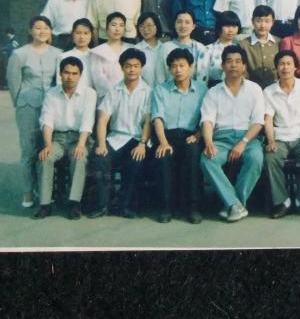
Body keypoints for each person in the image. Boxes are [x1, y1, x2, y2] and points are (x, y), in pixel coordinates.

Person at [199, 45, 266, 222]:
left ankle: (232, 204)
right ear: (222, 66)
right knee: (207, 160)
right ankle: (235, 204)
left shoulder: (255, 89)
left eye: (238, 61)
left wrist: (243, 142)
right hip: (221, 138)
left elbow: (258, 122)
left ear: (244, 66)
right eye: (229, 61)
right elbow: (207, 120)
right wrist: (209, 142)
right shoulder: (213, 92)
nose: (233, 65)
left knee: (256, 158)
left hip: (249, 138)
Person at [88, 47, 151, 218]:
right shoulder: (114, 90)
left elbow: (148, 121)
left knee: (136, 161)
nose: (132, 70)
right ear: (122, 67)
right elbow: (103, 120)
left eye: (136, 66)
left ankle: (125, 206)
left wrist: (142, 144)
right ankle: (103, 205)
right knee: (100, 158)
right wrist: (101, 144)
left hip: (137, 139)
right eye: (128, 66)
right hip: (116, 138)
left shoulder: (148, 91)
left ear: (141, 68)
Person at [8, 16, 61, 208]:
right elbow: (14, 83)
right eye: (38, 28)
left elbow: (59, 81)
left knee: (47, 148)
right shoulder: (19, 54)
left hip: (51, 106)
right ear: (30, 31)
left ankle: (45, 190)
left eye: (46, 28)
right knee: (29, 149)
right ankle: (28, 191)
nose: (42, 31)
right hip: (28, 107)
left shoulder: (58, 53)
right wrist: (21, 103)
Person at [34, 56, 95, 220]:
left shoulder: (89, 93)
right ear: (60, 74)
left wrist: (81, 145)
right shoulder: (52, 93)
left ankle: (74, 203)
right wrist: (47, 145)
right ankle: (45, 204)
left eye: (75, 73)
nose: (70, 77)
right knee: (45, 158)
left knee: (79, 158)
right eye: (66, 72)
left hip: (79, 138)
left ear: (80, 75)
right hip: (58, 139)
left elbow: (87, 121)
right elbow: (47, 121)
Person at [151, 47, 207, 224]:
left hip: (192, 135)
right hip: (167, 135)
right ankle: (166, 206)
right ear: (169, 69)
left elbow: (207, 118)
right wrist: (163, 142)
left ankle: (193, 206)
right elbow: (157, 118)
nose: (178, 70)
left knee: (193, 153)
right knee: (163, 155)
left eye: (182, 65)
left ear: (191, 67)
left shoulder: (202, 90)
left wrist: (198, 135)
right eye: (174, 66)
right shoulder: (161, 90)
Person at [263, 50, 300, 218]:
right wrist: (271, 141)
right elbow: (268, 119)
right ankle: (283, 202)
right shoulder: (269, 91)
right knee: (270, 159)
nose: (285, 67)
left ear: (295, 67)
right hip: (280, 138)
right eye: (281, 64)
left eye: (289, 64)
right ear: (276, 68)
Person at [156, 10, 207, 87]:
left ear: (193, 26)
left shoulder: (200, 49)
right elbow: (160, 76)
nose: (183, 26)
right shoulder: (165, 47)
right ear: (174, 24)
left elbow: (203, 79)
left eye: (187, 22)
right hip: (168, 91)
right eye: (179, 22)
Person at [87, 12, 131, 100]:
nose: (117, 29)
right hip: (107, 98)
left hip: (130, 96)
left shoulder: (131, 49)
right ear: (106, 28)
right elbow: (98, 78)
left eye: (121, 25)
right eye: (113, 25)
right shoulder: (98, 52)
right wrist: (115, 95)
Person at [239, 5, 279, 88]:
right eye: (258, 21)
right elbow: (243, 71)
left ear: (272, 22)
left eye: (267, 21)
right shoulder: (243, 45)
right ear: (252, 21)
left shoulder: (279, 42)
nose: (263, 25)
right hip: (252, 89)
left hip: (275, 88)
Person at [200, 11, 243, 86]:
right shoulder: (207, 50)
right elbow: (201, 78)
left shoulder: (240, 49)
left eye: (234, 26)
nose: (231, 30)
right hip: (212, 89)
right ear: (219, 27)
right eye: (227, 26)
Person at [60, 18, 96, 93]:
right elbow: (60, 83)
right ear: (72, 34)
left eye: (86, 33)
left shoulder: (96, 56)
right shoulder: (63, 56)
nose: (82, 37)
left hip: (93, 96)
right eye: (78, 33)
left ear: (91, 35)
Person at [135, 12, 165, 87]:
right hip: (143, 92)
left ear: (156, 26)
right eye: (141, 26)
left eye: (149, 25)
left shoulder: (164, 48)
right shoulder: (136, 50)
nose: (145, 29)